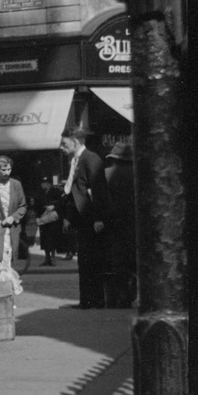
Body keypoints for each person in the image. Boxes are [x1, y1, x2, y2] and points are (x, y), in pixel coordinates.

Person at [60, 126, 113, 309]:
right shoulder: (76, 160)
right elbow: (76, 192)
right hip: (82, 220)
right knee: (84, 261)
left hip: (92, 220)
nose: (61, 147)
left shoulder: (90, 159)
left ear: (75, 142)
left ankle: (96, 301)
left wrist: (99, 218)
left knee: (93, 262)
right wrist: (69, 218)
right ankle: (86, 300)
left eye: (64, 143)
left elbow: (99, 190)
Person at [104, 141, 137, 308]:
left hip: (113, 225)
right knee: (134, 262)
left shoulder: (106, 174)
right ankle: (132, 291)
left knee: (116, 264)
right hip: (135, 225)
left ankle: (119, 296)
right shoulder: (138, 174)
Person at [30, 177, 64, 266]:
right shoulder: (40, 192)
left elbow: (61, 202)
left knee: (52, 238)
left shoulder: (55, 191)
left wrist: (54, 206)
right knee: (44, 239)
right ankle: (47, 258)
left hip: (52, 218)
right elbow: (37, 205)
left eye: (44, 183)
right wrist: (37, 217)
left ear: (48, 183)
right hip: (43, 218)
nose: (42, 185)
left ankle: (53, 258)